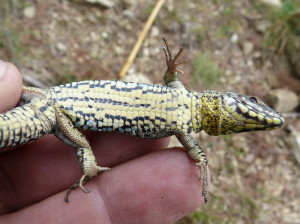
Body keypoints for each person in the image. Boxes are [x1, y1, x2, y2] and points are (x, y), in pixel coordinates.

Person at [0, 60, 208, 224]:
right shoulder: (183, 114)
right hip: (51, 110)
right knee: (82, 145)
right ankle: (89, 167)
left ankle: (89, 166)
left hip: (47, 100)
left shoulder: (182, 111)